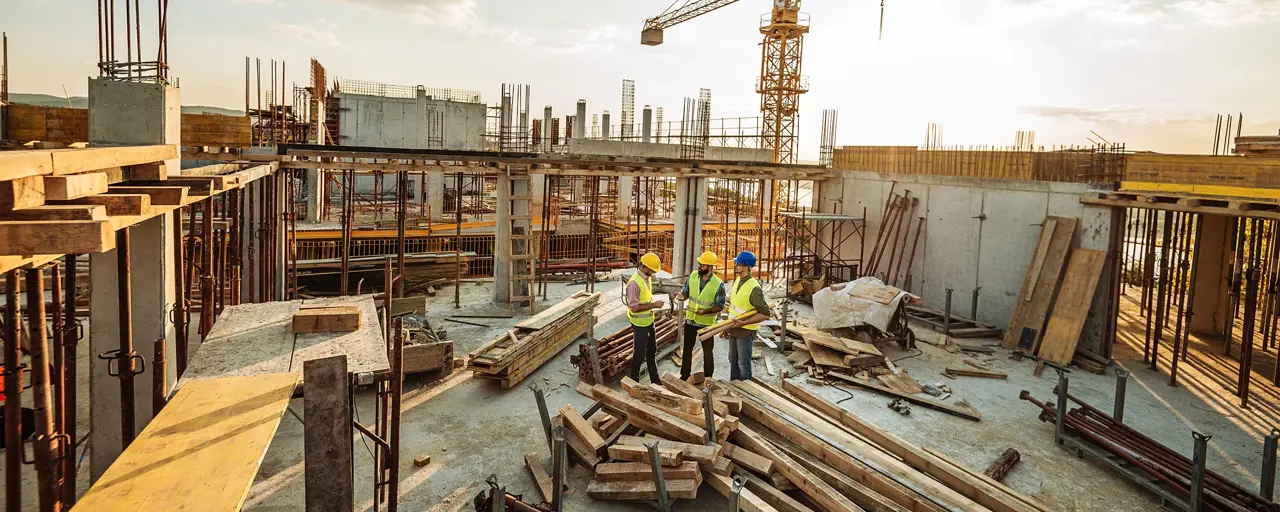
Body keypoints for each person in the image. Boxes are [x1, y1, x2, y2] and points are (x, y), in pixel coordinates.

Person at [673, 251, 725, 380]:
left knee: (707, 353)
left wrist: (705, 311)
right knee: (687, 352)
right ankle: (684, 376)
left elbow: (720, 306)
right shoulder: (693, 276)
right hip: (691, 320)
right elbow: (686, 291)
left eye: (702, 264)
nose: (699, 266)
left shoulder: (718, 284)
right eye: (699, 264)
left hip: (706, 324)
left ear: (710, 267)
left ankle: (708, 379)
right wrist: (681, 296)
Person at [725, 251, 770, 381]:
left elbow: (765, 313)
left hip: (745, 331)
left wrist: (743, 323)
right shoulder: (738, 280)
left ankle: (745, 392)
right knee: (732, 360)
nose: (735, 266)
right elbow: (735, 306)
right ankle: (734, 386)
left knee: (743, 364)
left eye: (737, 264)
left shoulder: (754, 288)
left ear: (746, 267)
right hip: (733, 327)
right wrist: (727, 327)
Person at [626, 253, 666, 383]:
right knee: (639, 354)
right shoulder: (634, 283)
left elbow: (645, 298)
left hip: (648, 320)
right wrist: (654, 305)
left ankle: (655, 379)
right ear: (646, 267)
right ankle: (633, 381)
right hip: (639, 324)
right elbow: (634, 307)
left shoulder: (645, 277)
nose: (653, 273)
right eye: (652, 270)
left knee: (651, 351)